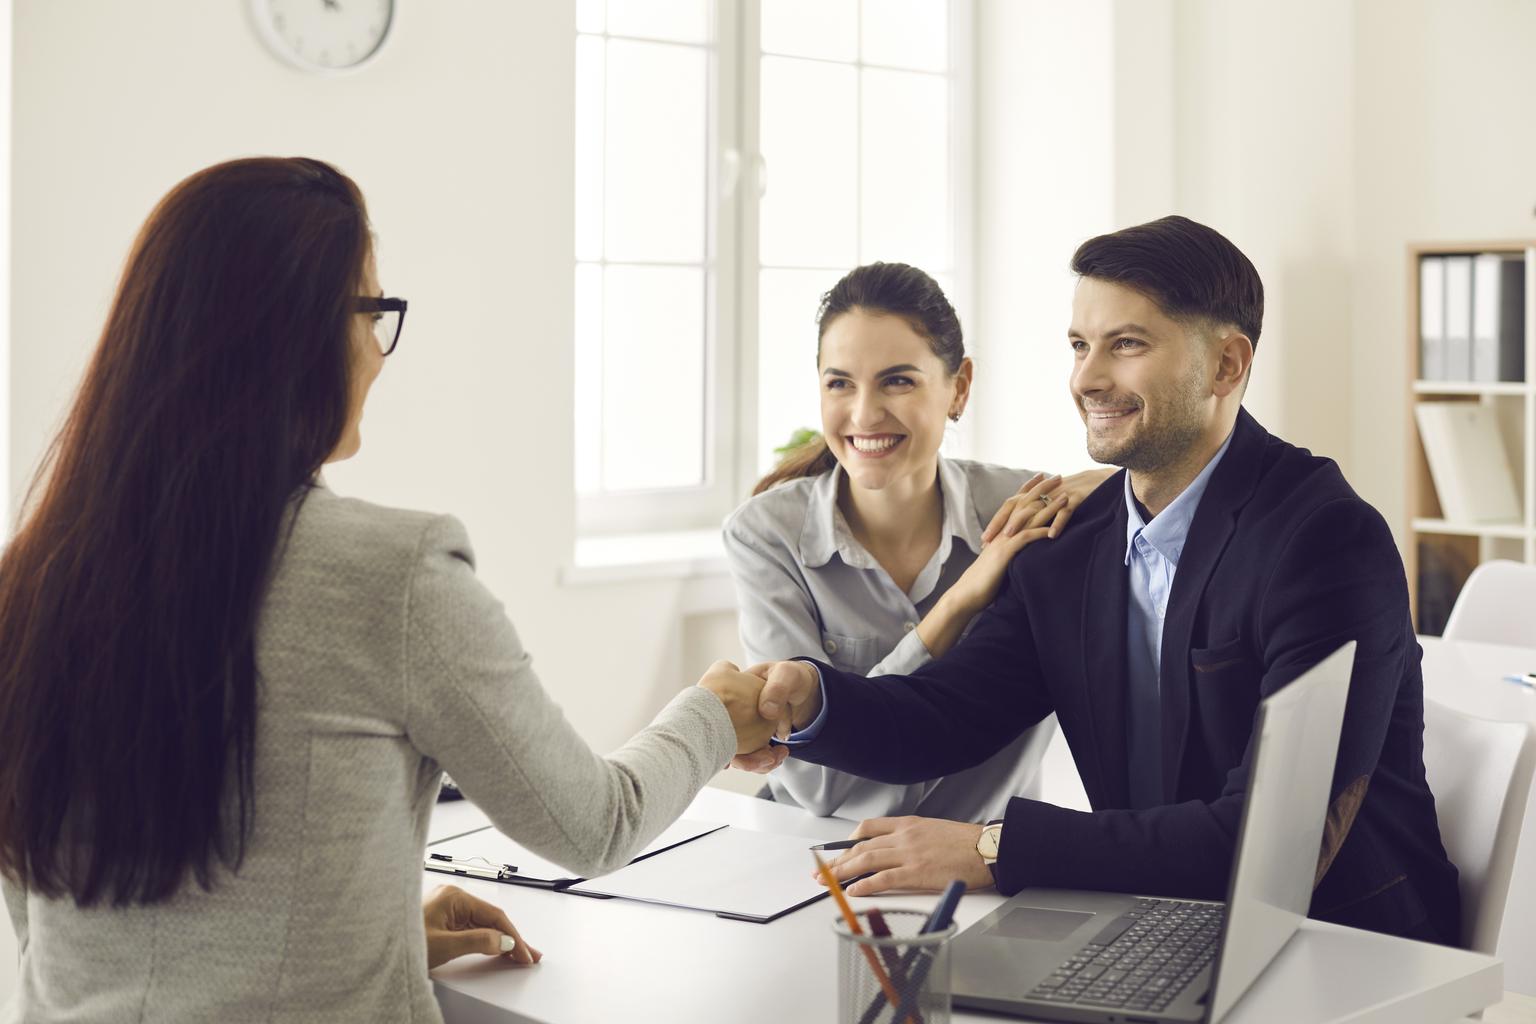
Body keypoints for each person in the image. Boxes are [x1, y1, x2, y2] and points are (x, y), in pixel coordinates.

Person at [0, 157, 771, 1023]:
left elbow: (55, 920)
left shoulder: (29, 582)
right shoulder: (393, 575)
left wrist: (381, 929)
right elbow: (593, 823)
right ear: (291, 335)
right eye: (370, 310)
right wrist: (713, 714)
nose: (377, 349)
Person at [735, 216, 1461, 944]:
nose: (1088, 377)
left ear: (1227, 366)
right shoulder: (1069, 541)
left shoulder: (1325, 540)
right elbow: (945, 714)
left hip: (1342, 944)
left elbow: (1272, 841)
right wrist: (812, 700)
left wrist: (994, 848)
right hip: (1157, 925)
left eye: (1127, 345)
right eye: (1080, 346)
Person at [724, 262, 1111, 822]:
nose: (863, 413)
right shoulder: (766, 536)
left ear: (959, 387)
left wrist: (1114, 482)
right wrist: (959, 602)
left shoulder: (1027, 513)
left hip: (989, 865)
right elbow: (816, 785)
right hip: (813, 860)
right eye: (840, 383)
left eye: (897, 380)